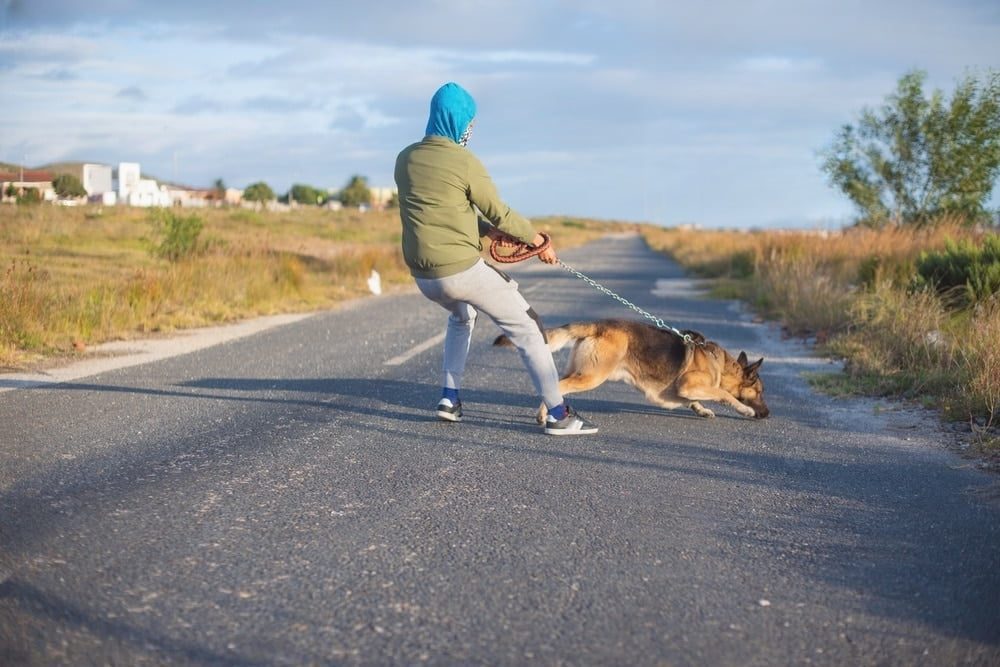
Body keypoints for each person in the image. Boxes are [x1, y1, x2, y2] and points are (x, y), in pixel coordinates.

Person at [394, 82, 598, 435]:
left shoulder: (405, 158)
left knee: (462, 316)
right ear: (457, 121)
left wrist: (485, 233)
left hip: (424, 276)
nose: (470, 131)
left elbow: (440, 213)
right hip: (461, 271)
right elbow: (500, 212)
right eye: (468, 123)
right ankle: (559, 414)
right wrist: (539, 241)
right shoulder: (464, 161)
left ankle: (449, 398)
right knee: (529, 328)